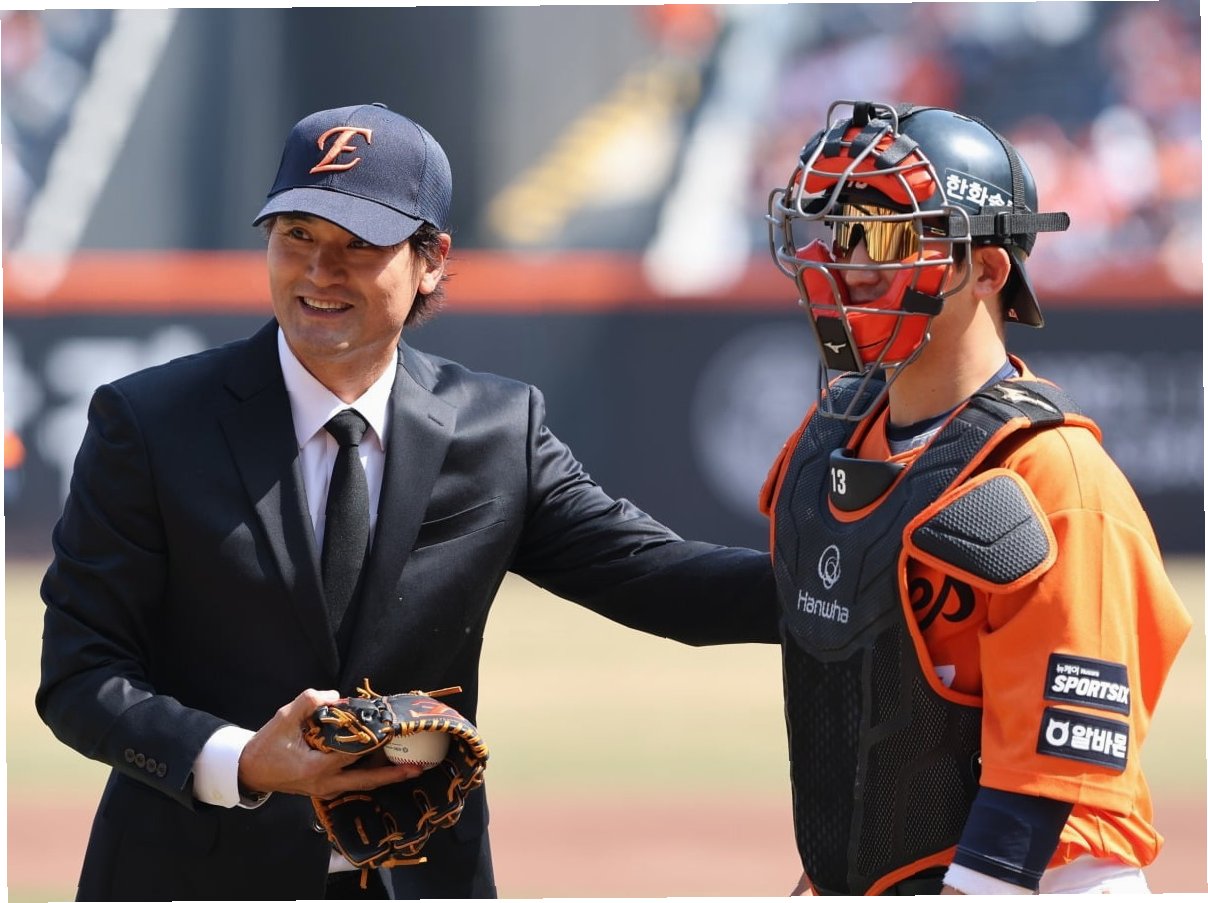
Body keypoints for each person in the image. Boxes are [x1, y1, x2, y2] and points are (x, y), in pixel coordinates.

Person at [36, 101, 779, 901]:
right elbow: (81, 674)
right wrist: (242, 760)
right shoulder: (149, 423)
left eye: (359, 243)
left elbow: (662, 579)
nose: (320, 270)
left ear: (432, 259)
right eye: (297, 234)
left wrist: (851, 580)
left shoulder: (500, 431)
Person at [760, 99, 1191, 895]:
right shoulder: (837, 438)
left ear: (987, 270)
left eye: (886, 235)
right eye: (839, 231)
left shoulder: (1055, 477)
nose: (848, 262)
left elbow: (1050, 782)